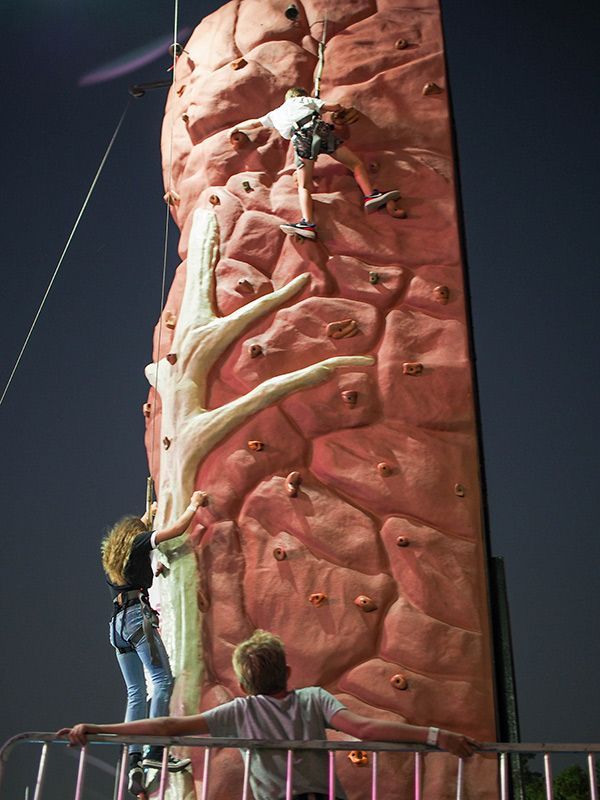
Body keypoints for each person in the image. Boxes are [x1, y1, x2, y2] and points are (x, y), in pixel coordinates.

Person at [59, 630, 478, 800]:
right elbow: (365, 728)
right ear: (288, 672)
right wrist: (435, 735)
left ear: (243, 685)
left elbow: (169, 726)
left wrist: (101, 729)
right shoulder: (314, 698)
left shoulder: (242, 711)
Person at [100, 490, 205, 794]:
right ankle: (154, 754)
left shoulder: (111, 554)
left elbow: (138, 527)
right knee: (162, 681)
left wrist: (149, 513)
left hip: (116, 626)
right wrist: (193, 506)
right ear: (136, 535)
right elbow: (175, 531)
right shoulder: (139, 543)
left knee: (135, 692)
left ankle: (133, 760)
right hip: (137, 618)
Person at [231, 87, 401, 239]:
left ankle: (308, 223)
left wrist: (236, 129)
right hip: (320, 132)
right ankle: (370, 195)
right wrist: (338, 109)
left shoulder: (275, 113)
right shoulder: (303, 100)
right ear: (300, 96)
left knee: (304, 186)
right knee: (355, 163)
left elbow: (254, 123)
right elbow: (333, 106)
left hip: (301, 140)